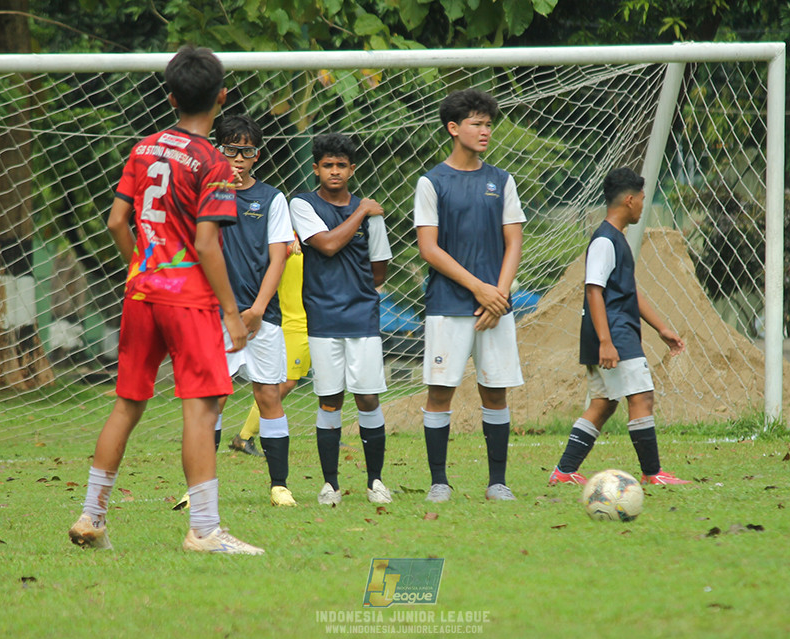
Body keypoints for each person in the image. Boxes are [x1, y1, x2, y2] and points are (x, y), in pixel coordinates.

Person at [68, 46, 264, 555]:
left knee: (128, 404)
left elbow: (116, 221)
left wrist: (141, 267)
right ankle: (203, 530)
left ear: (171, 96)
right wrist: (230, 312)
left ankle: (91, 515)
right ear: (221, 97)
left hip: (141, 292)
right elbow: (205, 245)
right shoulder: (214, 163)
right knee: (202, 409)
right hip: (189, 299)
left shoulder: (143, 149)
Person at [414, 88, 527, 503]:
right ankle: (438, 482)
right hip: (448, 305)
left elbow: (514, 241)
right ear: (453, 128)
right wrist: (479, 288)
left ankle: (497, 482)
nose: (485, 131)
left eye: (488, 124)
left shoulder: (502, 180)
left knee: (494, 390)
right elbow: (429, 248)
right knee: (440, 391)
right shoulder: (431, 182)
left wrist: (498, 293)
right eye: (477, 124)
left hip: (496, 307)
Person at [548, 167, 689, 487]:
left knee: (603, 403)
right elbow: (593, 289)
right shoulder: (604, 241)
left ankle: (564, 471)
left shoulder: (617, 240)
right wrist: (606, 342)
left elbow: (629, 290)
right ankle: (653, 473)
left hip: (611, 332)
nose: (643, 205)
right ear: (628, 200)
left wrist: (660, 327)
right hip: (614, 334)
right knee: (642, 396)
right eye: (641, 199)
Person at [289, 132, 393, 506]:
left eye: (341, 165)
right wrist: (361, 211)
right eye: (327, 165)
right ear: (316, 168)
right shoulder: (301, 204)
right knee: (329, 399)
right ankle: (330, 485)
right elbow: (328, 245)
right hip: (322, 314)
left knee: (367, 397)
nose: (335, 171)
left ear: (352, 169)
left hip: (362, 315)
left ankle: (376, 482)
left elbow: (379, 270)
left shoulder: (372, 216)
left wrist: (365, 213)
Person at [212, 113, 297, 506]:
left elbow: (278, 257)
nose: (238, 157)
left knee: (268, 395)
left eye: (245, 151)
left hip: (261, 317)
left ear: (256, 155)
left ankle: (279, 485)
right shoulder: (205, 193)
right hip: (213, 317)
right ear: (217, 149)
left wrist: (259, 310)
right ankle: (200, 489)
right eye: (230, 149)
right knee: (211, 398)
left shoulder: (272, 198)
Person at [229, 231, 310, 460]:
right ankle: (244, 436)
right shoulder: (283, 243)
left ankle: (334, 430)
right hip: (290, 323)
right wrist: (288, 243)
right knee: (283, 383)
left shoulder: (314, 243)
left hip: (312, 322)